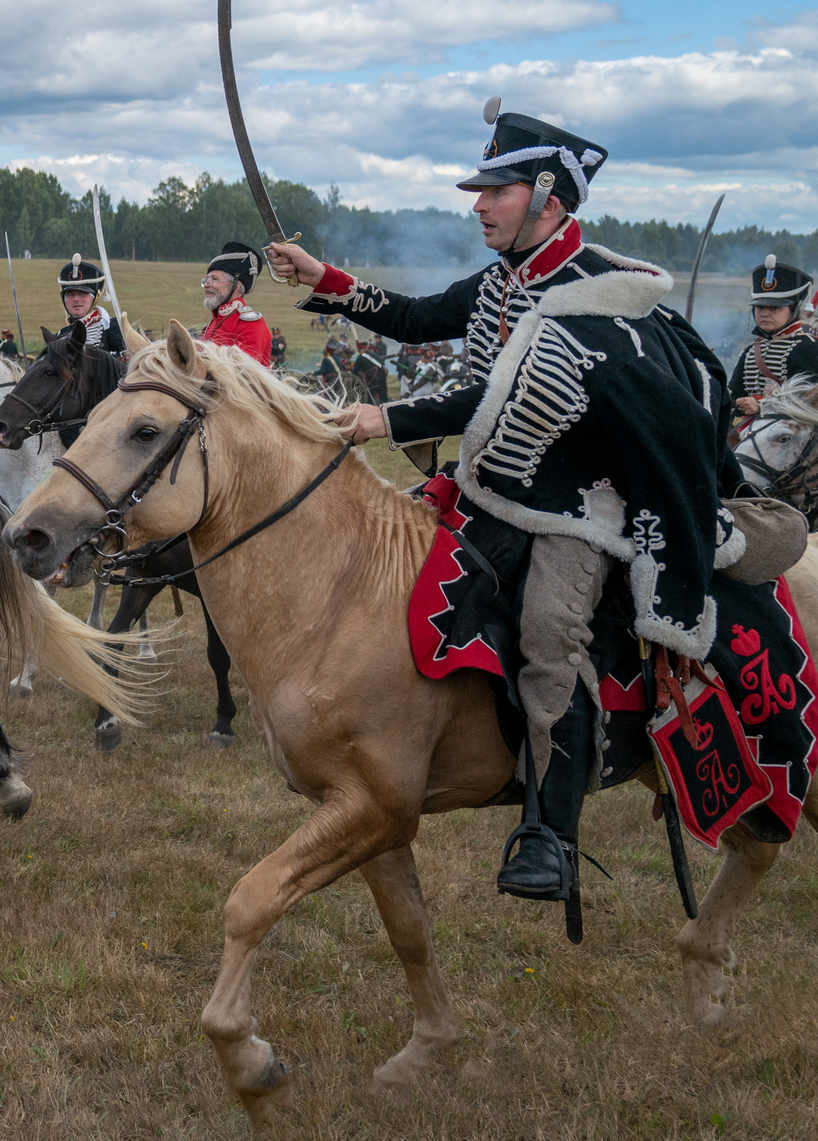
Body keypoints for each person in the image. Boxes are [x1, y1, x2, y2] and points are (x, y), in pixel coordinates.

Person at [269, 102, 741, 912]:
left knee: (550, 635)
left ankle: (549, 833)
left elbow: (506, 391)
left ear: (549, 197)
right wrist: (327, 280)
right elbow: (420, 318)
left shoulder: (594, 295)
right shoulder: (503, 279)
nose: (479, 204)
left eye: (498, 189)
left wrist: (391, 418)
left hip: (575, 504)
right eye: (480, 191)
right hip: (488, 486)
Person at [728, 256, 818, 425]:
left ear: (793, 310)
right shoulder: (751, 351)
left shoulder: (808, 347)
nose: (764, 313)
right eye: (760, 307)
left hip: (793, 433)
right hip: (750, 430)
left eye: (774, 308)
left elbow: (807, 400)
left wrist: (762, 405)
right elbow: (734, 393)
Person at [197, 242, 275, 364]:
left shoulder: (250, 324)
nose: (206, 284)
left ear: (236, 286)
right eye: (207, 279)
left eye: (214, 279)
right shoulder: (214, 322)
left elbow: (243, 375)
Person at [56, 256, 126, 353]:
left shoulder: (113, 328)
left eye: (83, 294)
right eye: (71, 294)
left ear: (96, 297)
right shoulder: (59, 335)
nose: (76, 299)